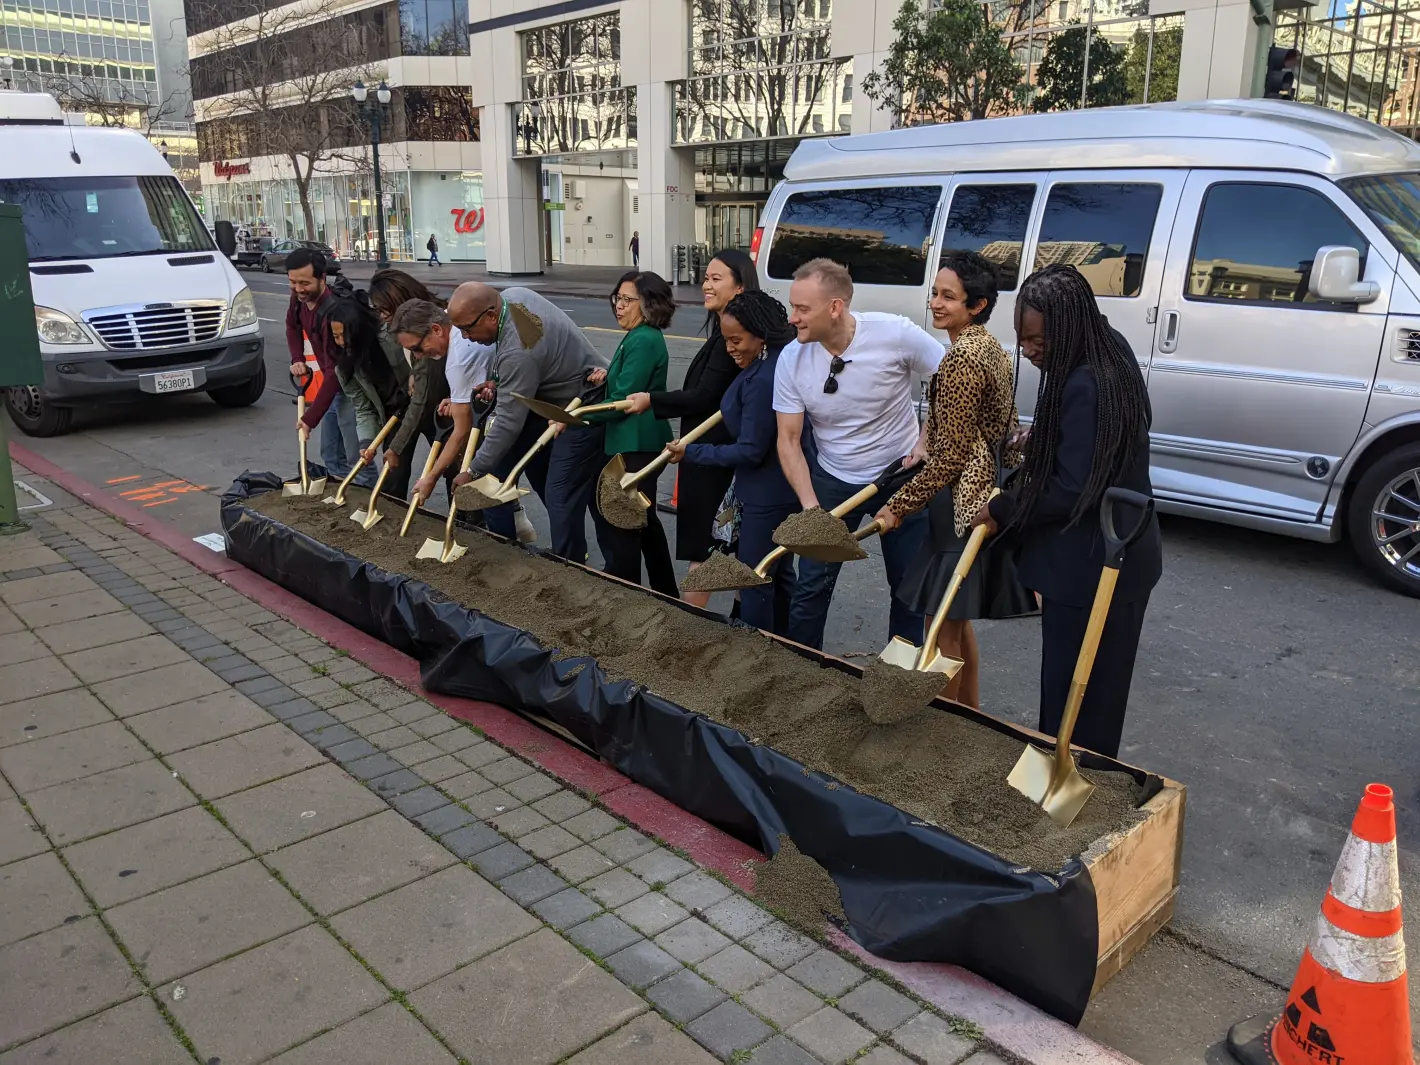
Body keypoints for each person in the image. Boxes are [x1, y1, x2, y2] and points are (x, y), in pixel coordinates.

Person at [970, 263, 1162, 759]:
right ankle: (1077, 767)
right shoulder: (1106, 345)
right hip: (1119, 552)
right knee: (1093, 688)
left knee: (1077, 693)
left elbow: (1073, 488)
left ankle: (1076, 778)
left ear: (1068, 328)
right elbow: (1090, 446)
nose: (1028, 351)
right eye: (1022, 339)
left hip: (1095, 563)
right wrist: (1046, 438)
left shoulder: (1086, 383)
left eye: (1037, 341)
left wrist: (1004, 508)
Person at [875, 252, 1034, 708]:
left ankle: (943, 732)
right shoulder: (988, 346)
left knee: (941, 621)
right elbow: (991, 426)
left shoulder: (962, 359)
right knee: (957, 620)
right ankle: (970, 718)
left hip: (960, 497)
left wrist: (899, 504)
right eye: (935, 293)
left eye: (949, 296)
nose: (936, 304)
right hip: (985, 487)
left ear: (977, 305)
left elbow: (951, 457)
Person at [773, 257, 939, 651]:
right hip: (832, 483)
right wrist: (812, 510)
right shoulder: (792, 359)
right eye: (792, 307)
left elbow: (950, 376)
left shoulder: (894, 334)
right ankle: (801, 669)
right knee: (812, 585)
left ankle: (897, 679)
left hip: (901, 476)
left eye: (802, 309)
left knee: (907, 588)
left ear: (835, 307)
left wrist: (925, 440)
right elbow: (788, 438)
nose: (792, 317)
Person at [409, 283, 611, 563]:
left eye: (468, 329)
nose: (467, 337)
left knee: (561, 491)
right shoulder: (513, 298)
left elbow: (507, 421)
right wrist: (500, 382)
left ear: (491, 316)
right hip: (549, 403)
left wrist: (473, 470)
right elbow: (530, 365)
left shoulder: (518, 350)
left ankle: (571, 564)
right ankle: (525, 548)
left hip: (584, 405)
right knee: (528, 474)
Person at [624, 249, 753, 608]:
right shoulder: (723, 332)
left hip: (713, 455)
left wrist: (653, 400)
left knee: (709, 547)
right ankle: (736, 623)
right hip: (706, 451)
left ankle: (688, 626)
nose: (706, 285)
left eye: (716, 279)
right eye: (706, 278)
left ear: (740, 287)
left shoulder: (735, 337)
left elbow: (705, 397)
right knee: (729, 548)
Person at [667, 290, 799, 633]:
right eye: (726, 340)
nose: (730, 348)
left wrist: (692, 452)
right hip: (773, 490)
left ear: (761, 334)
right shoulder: (771, 364)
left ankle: (756, 654)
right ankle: (786, 649)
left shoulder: (764, 379)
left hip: (765, 495)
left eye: (737, 340)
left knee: (754, 579)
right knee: (778, 577)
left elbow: (751, 450)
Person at [573, 271, 678, 597]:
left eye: (627, 300)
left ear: (649, 305)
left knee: (625, 524)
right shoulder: (638, 336)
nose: (619, 306)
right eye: (617, 298)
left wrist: (577, 416)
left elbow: (624, 399)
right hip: (635, 441)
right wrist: (608, 375)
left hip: (636, 443)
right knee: (644, 520)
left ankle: (626, 594)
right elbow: (624, 382)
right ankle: (666, 592)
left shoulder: (645, 339)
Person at [285, 247, 368, 487]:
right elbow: (292, 326)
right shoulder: (299, 299)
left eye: (304, 283)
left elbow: (336, 372)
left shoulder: (333, 312)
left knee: (358, 457)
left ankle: (371, 499)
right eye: (292, 282)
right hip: (333, 387)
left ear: (322, 278)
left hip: (353, 387)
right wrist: (297, 358)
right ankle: (343, 496)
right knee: (331, 453)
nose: (298, 289)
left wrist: (310, 418)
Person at [367, 270, 452, 502]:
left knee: (454, 470)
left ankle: (467, 523)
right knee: (394, 473)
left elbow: (423, 397)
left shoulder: (424, 328)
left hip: (445, 409)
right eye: (377, 309)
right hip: (418, 405)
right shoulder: (404, 329)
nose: (382, 316)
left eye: (384, 309)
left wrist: (395, 447)